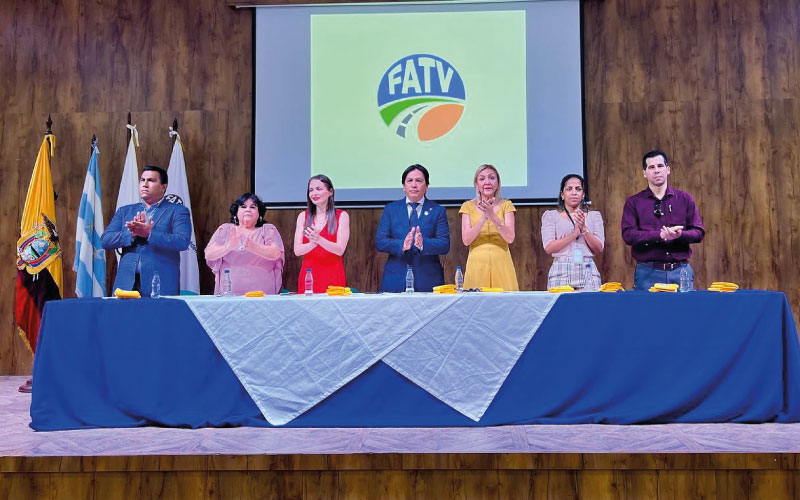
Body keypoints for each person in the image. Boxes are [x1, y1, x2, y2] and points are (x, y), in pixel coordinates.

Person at [621, 150, 704, 290]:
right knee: (647, 312)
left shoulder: (684, 199)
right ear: (644, 173)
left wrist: (680, 235)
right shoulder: (634, 202)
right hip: (647, 272)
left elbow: (698, 232)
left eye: (660, 166)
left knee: (685, 312)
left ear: (668, 169)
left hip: (680, 271)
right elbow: (628, 235)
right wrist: (658, 235)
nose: (656, 171)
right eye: (651, 167)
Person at [101, 166, 191, 296]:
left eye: (151, 180)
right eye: (142, 180)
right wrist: (131, 234)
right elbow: (105, 240)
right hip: (126, 285)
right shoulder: (124, 211)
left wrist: (149, 234)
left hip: (160, 284)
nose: (145, 184)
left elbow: (182, 241)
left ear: (163, 187)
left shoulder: (178, 211)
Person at [375, 164, 450, 292]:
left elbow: (444, 244)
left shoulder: (438, 211)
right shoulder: (391, 209)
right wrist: (402, 245)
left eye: (419, 181)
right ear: (404, 187)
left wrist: (422, 244)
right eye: (410, 181)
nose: (414, 185)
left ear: (426, 186)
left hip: (428, 279)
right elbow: (380, 241)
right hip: (396, 279)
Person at [204, 193, 284, 295]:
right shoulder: (226, 229)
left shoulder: (267, 229)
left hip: (262, 294)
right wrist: (228, 246)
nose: (248, 209)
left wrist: (253, 247)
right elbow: (209, 255)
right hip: (229, 292)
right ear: (236, 212)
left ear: (259, 213)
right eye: (243, 206)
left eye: (252, 207)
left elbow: (276, 253)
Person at [459, 164, 519, 290]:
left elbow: (510, 238)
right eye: (482, 179)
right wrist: (483, 218)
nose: (487, 182)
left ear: (498, 183)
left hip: (501, 263)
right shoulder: (467, 206)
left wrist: (492, 215)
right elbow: (466, 240)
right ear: (476, 184)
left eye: (492, 178)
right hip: (477, 264)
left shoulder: (506, 205)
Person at [541, 174, 605, 290]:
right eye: (569, 189)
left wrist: (584, 230)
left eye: (578, 189)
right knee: (561, 307)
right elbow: (549, 248)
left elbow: (599, 248)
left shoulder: (594, 216)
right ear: (562, 195)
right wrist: (574, 234)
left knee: (590, 307)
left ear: (583, 194)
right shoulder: (551, 216)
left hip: (587, 268)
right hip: (561, 269)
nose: (574, 193)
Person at [293, 175, 349, 293]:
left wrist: (319, 240)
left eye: (319, 189)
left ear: (330, 192)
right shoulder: (303, 216)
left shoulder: (341, 216)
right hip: (309, 275)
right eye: (311, 190)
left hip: (332, 274)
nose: (314, 193)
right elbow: (297, 250)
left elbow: (340, 250)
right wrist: (312, 244)